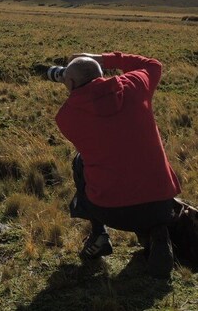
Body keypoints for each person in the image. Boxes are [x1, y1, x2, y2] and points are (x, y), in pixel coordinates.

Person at [54, 52, 181, 278]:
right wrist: (104, 58)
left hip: (111, 212)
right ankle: (156, 231)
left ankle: (99, 235)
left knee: (80, 162)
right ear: (101, 73)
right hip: (162, 205)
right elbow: (153, 63)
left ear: (70, 82)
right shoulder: (135, 85)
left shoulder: (66, 116)